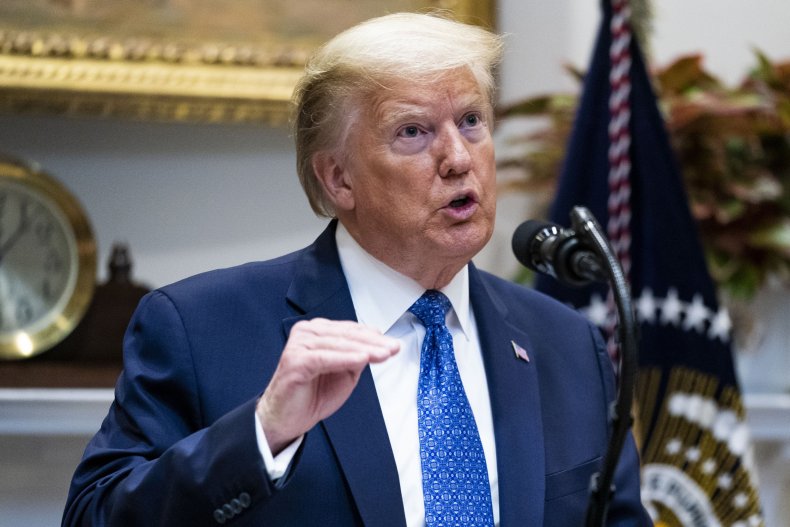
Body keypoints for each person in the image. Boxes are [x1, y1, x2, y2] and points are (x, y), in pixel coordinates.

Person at [63, 11, 651, 527]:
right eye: (413, 132)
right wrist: (262, 434)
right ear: (338, 178)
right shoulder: (200, 330)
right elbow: (95, 516)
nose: (458, 157)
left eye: (472, 120)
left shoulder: (565, 343)